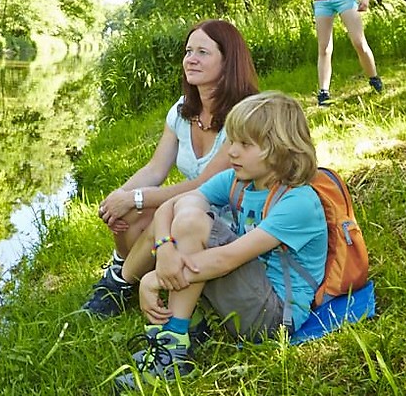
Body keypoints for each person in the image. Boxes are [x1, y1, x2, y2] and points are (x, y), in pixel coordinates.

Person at [114, 92, 327, 389]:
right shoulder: (237, 182)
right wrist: (163, 251)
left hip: (274, 317)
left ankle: (174, 345)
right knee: (188, 213)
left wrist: (155, 280)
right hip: (246, 291)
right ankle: (182, 331)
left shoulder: (298, 202)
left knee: (192, 222)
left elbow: (226, 259)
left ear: (279, 149)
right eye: (231, 142)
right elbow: (168, 207)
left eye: (244, 144)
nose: (231, 153)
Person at [82, 19, 260, 317]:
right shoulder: (182, 110)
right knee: (129, 210)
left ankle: (119, 282)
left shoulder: (244, 116)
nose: (191, 59)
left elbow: (205, 185)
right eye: (188, 51)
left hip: (232, 217)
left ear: (229, 61)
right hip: (192, 207)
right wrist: (120, 196)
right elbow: (155, 169)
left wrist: (136, 198)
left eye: (203, 52)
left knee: (151, 211)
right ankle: (126, 269)